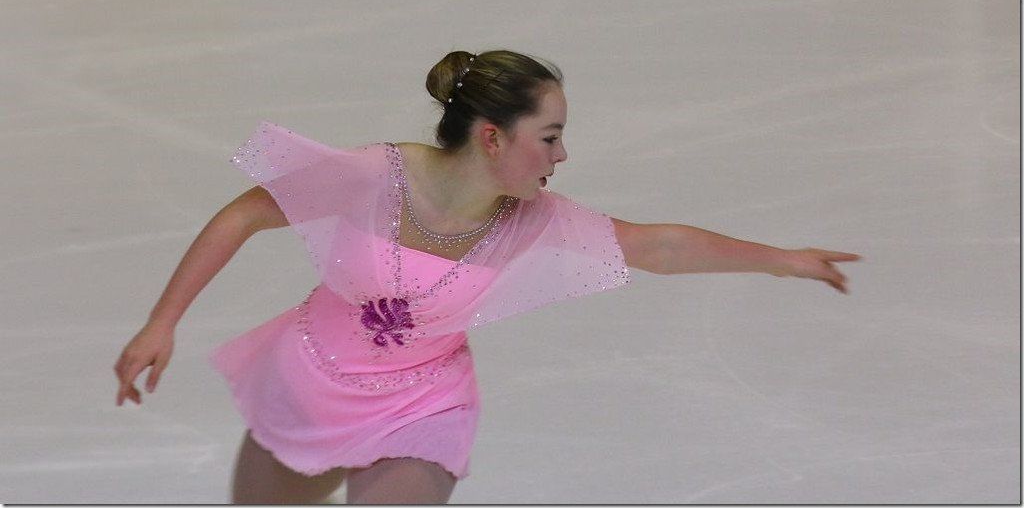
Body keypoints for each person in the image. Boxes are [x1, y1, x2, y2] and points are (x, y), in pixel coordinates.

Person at [113, 49, 861, 504]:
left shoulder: (534, 219)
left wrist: (785, 260)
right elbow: (244, 214)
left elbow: (658, 247)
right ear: (493, 137)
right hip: (309, 381)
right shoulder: (374, 176)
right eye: (550, 137)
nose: (561, 157)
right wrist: (161, 322)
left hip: (423, 402)